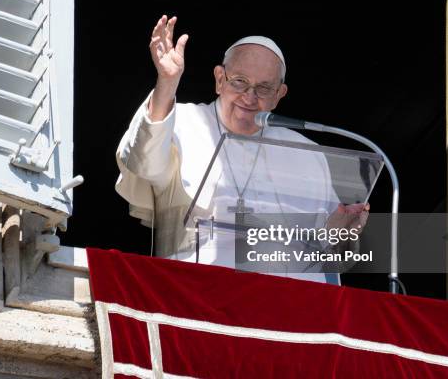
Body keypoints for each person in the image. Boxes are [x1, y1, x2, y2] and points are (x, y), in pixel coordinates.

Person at [115, 15, 369, 284]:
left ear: (279, 95)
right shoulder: (183, 121)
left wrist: (340, 234)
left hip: (295, 301)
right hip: (198, 289)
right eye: (239, 82)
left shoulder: (308, 152)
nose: (249, 97)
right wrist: (167, 82)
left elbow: (331, 255)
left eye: (264, 88)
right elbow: (144, 164)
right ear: (219, 79)